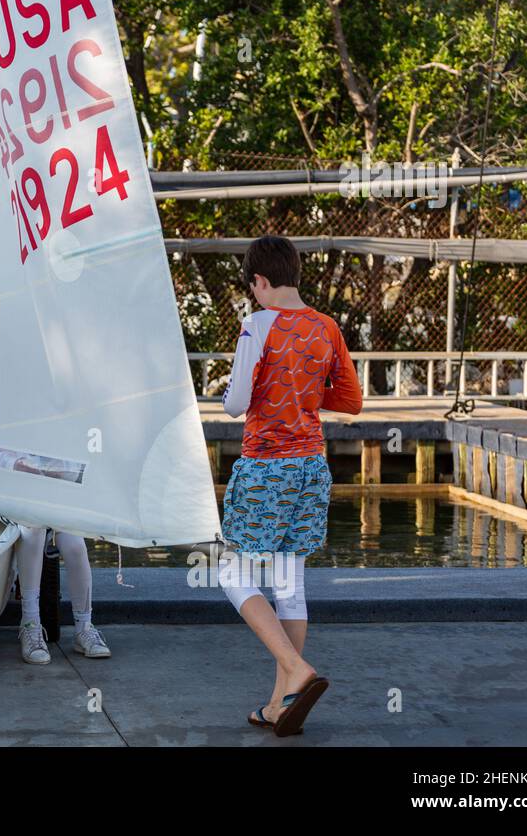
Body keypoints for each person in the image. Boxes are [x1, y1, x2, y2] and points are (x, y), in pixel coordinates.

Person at [219, 236, 363, 737]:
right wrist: (301, 386)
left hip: (267, 467)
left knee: (231, 575)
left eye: (253, 287)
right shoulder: (326, 327)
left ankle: (297, 671)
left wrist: (250, 387)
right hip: (311, 466)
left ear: (260, 281)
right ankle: (282, 704)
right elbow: (350, 400)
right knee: (290, 584)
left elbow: (236, 404)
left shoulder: (256, 326)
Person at [15, 526, 109, 664]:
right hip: (17, 508)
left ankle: (84, 626)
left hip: (51, 507)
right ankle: (29, 624)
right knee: (33, 532)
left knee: (74, 544)